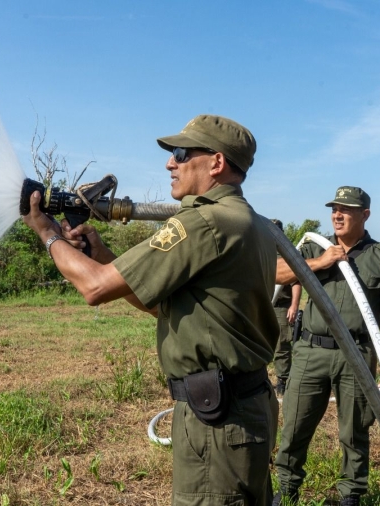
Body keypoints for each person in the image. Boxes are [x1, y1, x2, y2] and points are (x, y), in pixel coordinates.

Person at [22, 114, 279, 505]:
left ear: (216, 163)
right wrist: (105, 256)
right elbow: (167, 306)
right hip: (246, 408)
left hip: (218, 422)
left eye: (179, 153)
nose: (169, 164)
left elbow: (93, 288)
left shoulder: (203, 223)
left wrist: (47, 232)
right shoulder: (250, 223)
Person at [271, 186, 380, 506]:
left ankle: (351, 495)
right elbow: (276, 274)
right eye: (334, 208)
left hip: (358, 354)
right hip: (310, 350)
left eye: (346, 209)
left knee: (355, 431)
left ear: (365, 214)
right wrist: (321, 262)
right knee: (294, 425)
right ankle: (288, 488)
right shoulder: (312, 247)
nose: (337, 214)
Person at [271, 219, 303, 395]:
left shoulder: (287, 255)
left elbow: (296, 282)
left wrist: (294, 305)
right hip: (263, 306)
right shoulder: (262, 252)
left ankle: (283, 380)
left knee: (282, 345)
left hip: (282, 307)